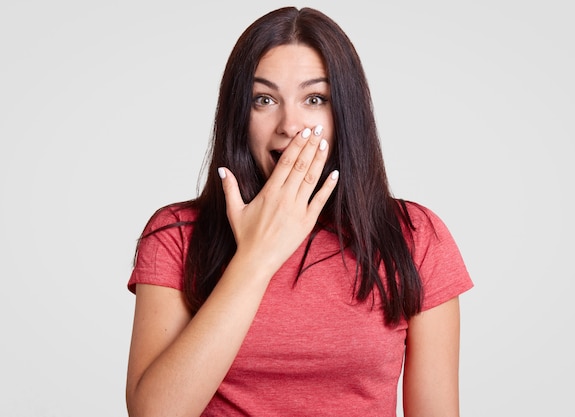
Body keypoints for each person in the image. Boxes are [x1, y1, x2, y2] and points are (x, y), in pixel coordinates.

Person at [125, 6, 473, 417]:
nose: (289, 125)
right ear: (240, 116)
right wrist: (256, 258)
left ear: (344, 114)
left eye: (314, 99)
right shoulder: (176, 234)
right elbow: (154, 413)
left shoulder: (415, 236)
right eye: (264, 99)